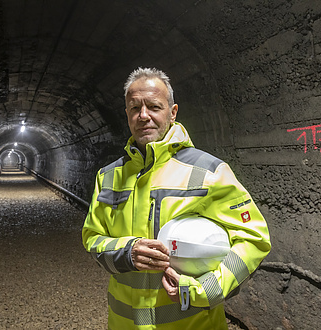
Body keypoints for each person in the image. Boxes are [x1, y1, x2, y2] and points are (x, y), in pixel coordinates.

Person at [82, 67, 271, 329]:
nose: (143, 115)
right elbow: (92, 238)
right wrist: (128, 252)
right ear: (126, 114)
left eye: (154, 106)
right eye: (135, 108)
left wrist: (206, 290)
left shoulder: (209, 172)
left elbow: (253, 239)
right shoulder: (109, 175)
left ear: (172, 113)